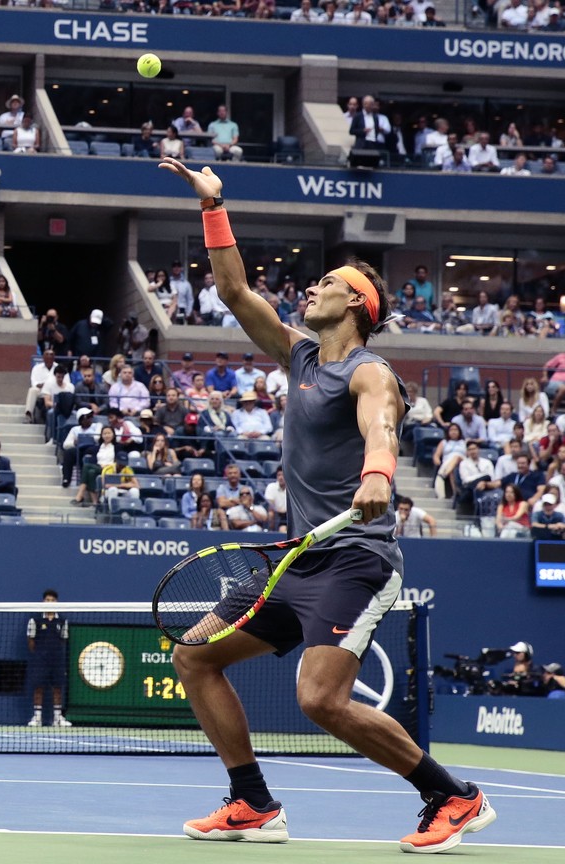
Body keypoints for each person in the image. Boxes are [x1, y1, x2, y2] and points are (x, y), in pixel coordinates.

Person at [160, 155, 492, 853]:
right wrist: (213, 205)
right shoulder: (302, 358)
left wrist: (378, 473)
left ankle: (453, 797)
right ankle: (252, 803)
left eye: (330, 284)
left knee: (320, 700)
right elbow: (232, 291)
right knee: (193, 656)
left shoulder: (368, 370)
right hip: (301, 560)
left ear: (357, 307)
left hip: (357, 559)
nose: (313, 288)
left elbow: (382, 424)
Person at [25, 589, 71, 728]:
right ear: (43, 601)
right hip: (40, 660)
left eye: (52, 600)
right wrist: (41, 654)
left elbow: (63, 639)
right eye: (47, 600)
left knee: (57, 687)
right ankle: (37, 718)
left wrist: (54, 652)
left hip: (57, 659)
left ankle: (57, 718)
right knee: (39, 687)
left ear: (56, 602)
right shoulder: (35, 620)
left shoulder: (62, 621)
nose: (50, 602)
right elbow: (31, 641)